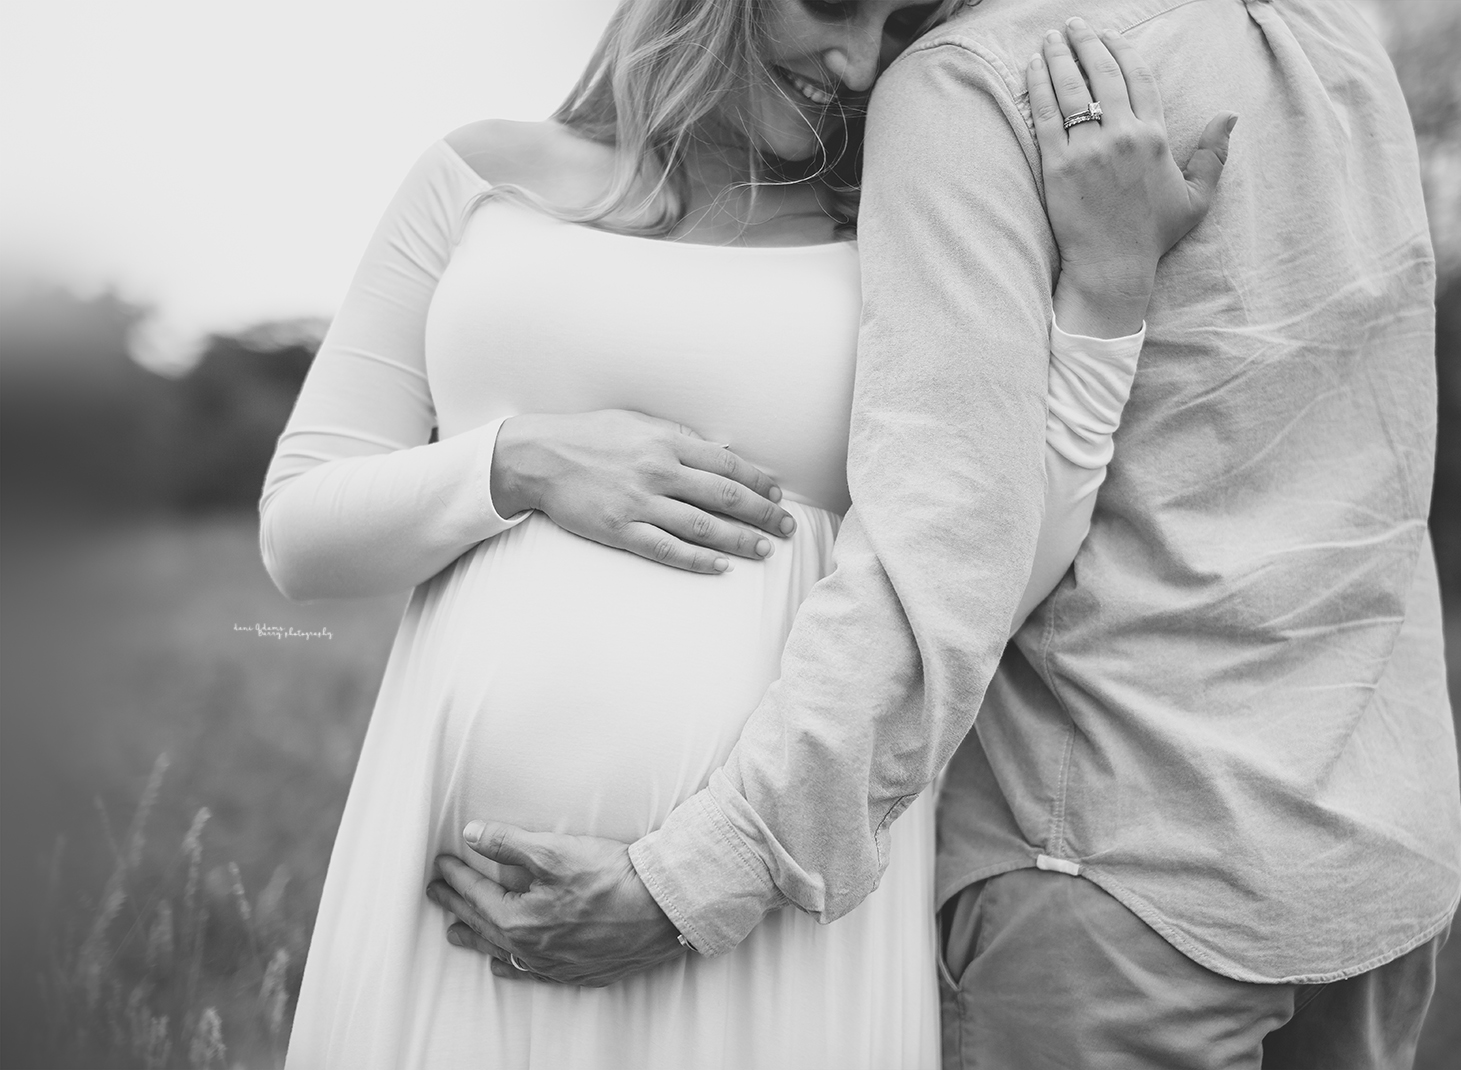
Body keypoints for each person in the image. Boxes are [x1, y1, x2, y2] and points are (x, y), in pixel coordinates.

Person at [434, 1, 1461, 1068]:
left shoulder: (983, 79)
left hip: (1106, 886)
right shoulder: (1332, 35)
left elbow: (946, 551)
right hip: (1376, 860)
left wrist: (693, 877)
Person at [261, 1, 1230, 1066]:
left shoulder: (901, 220)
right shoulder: (478, 176)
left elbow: (991, 565)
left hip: (768, 919)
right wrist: (516, 460)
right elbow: (301, 533)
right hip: (462, 904)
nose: (859, 67)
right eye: (831, 7)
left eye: (896, 29)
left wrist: (1105, 290)